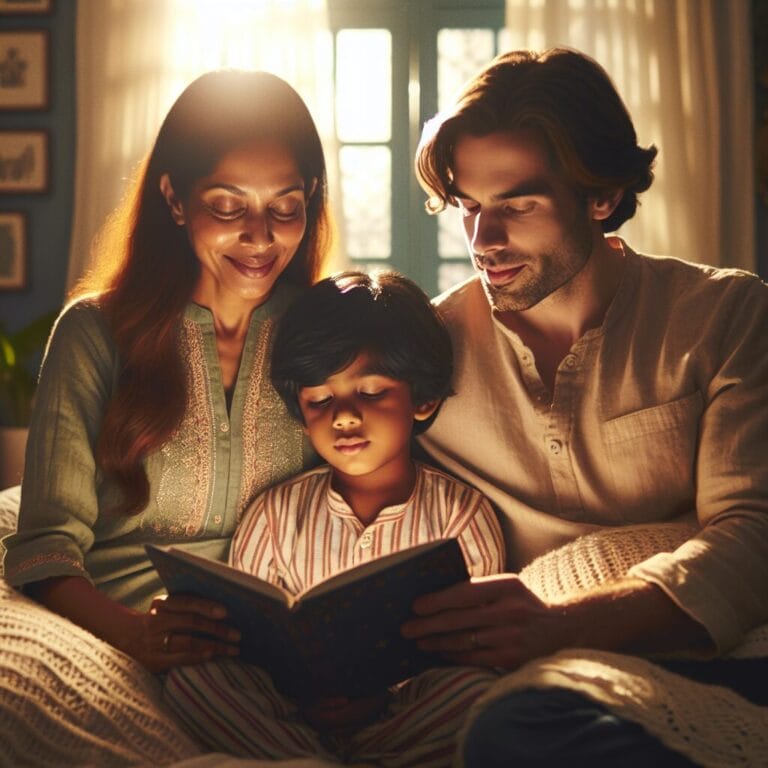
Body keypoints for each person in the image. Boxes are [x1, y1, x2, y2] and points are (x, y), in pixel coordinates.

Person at [401, 47, 768, 766]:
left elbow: (754, 538)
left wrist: (560, 624)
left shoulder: (726, 314)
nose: (484, 242)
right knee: (506, 732)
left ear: (600, 197)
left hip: (730, 650)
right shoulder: (428, 350)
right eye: (470, 207)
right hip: (548, 690)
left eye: (517, 205)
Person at [2, 70, 332, 674]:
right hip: (130, 643)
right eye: (228, 205)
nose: (259, 236)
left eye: (284, 206)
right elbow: (44, 552)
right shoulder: (95, 334)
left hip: (284, 653)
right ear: (175, 200)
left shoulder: (322, 333)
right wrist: (135, 636)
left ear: (309, 198)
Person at [164, 270, 505, 767]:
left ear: (423, 399)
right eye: (320, 401)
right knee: (194, 683)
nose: (343, 417)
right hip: (291, 716)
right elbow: (248, 641)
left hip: (404, 716)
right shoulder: (275, 516)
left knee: (480, 692)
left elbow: (472, 646)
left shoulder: (461, 516)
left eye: (370, 393)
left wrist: (382, 695)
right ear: (301, 412)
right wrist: (295, 687)